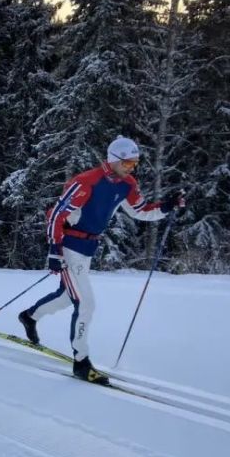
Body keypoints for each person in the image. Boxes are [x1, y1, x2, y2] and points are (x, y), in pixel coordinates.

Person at [17, 137, 184, 384]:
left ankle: (29, 316)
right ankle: (81, 362)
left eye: (135, 163)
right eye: (128, 162)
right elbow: (56, 215)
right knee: (86, 304)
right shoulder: (86, 181)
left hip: (88, 248)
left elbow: (140, 210)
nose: (131, 167)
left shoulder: (127, 184)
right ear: (114, 159)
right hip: (69, 247)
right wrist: (54, 250)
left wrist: (167, 207)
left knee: (66, 297)